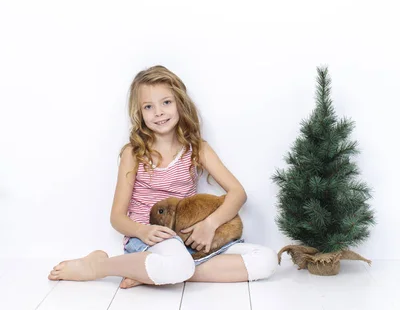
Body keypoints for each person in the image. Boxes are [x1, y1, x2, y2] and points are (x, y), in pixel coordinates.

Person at [48, 65, 278, 286]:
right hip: (151, 238)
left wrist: (209, 225)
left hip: (190, 238)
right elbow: (117, 217)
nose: (158, 112)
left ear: (179, 104)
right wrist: (142, 230)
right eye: (148, 107)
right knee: (177, 263)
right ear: (139, 113)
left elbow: (237, 193)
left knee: (266, 260)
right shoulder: (134, 153)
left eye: (166, 102)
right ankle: (101, 266)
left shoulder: (198, 149)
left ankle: (151, 271)